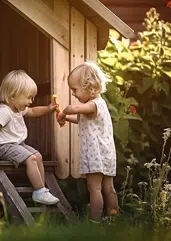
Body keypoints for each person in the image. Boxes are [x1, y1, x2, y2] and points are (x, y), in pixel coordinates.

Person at [0, 70, 60, 205]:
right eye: (28, 97)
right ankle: (39, 191)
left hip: (17, 145)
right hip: (4, 147)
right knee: (31, 158)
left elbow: (34, 111)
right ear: (13, 96)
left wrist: (48, 108)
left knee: (38, 156)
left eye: (32, 97)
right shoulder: (3, 111)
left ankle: (43, 189)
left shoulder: (18, 109)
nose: (30, 101)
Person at [56, 62, 118, 223]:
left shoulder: (94, 104)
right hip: (106, 154)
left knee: (95, 189)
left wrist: (64, 112)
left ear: (88, 87)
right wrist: (65, 118)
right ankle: (113, 219)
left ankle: (95, 222)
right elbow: (79, 118)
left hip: (95, 154)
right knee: (108, 189)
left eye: (75, 89)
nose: (74, 94)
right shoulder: (93, 107)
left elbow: (74, 110)